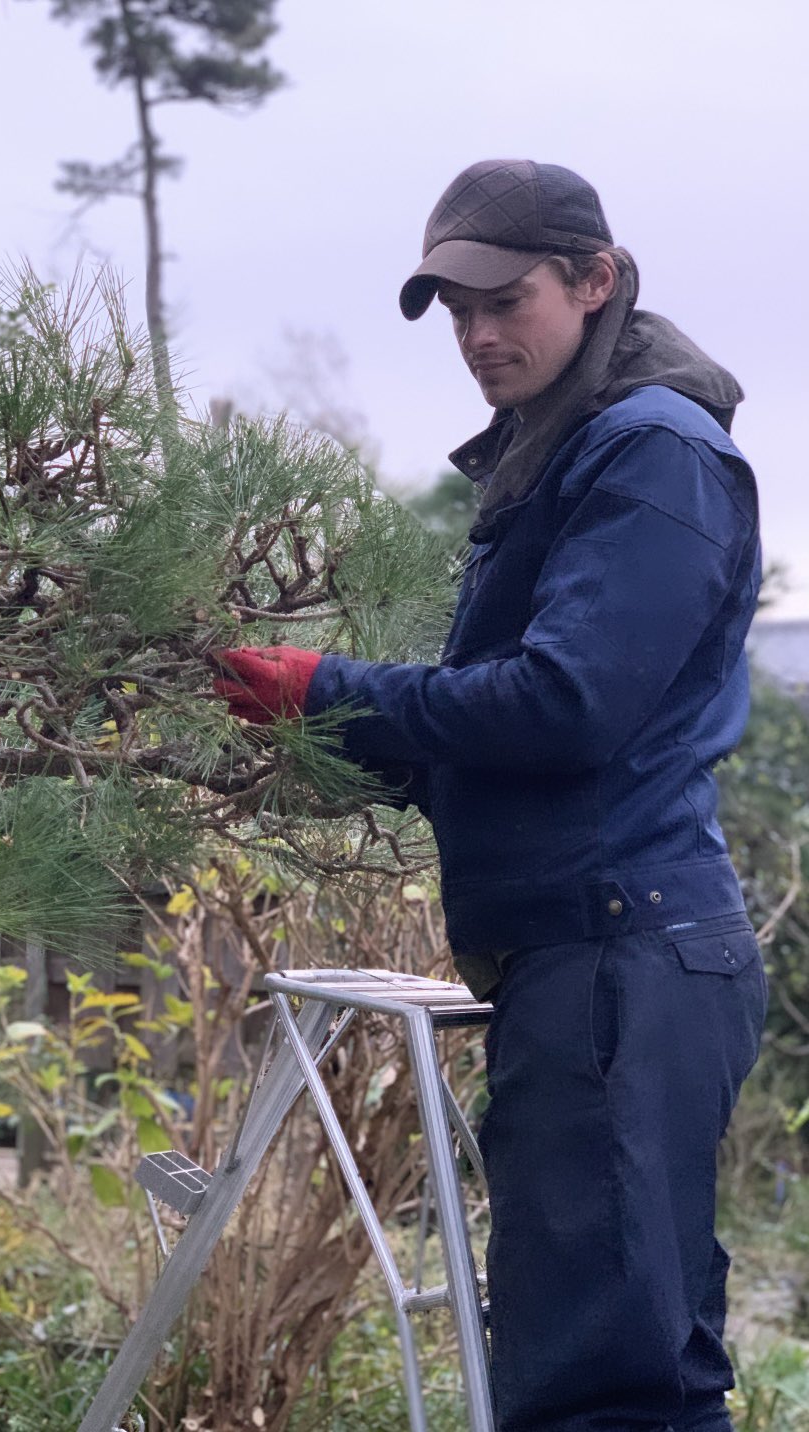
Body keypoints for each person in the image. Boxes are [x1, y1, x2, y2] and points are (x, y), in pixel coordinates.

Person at [213, 159, 767, 1432]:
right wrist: (302, 737)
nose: (473, 335)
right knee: (630, 1361)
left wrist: (327, 688)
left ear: (593, 281)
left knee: (603, 1383)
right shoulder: (569, 447)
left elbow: (566, 705)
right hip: (592, 958)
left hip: (618, 959)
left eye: (500, 300)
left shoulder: (651, 455)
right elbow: (515, 736)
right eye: (451, 311)